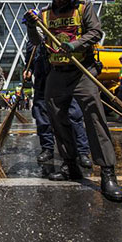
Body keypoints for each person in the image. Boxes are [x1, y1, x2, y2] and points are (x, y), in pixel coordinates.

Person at [24, 0, 122, 202]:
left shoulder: (84, 8)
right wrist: (30, 25)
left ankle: (108, 174)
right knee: (57, 118)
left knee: (94, 118)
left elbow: (96, 32)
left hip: (82, 72)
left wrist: (75, 44)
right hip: (57, 74)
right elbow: (37, 41)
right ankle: (70, 165)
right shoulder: (45, 15)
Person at [24, 40, 92, 171]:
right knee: (42, 117)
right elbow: (30, 62)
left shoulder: (55, 36)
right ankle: (47, 148)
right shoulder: (31, 44)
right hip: (41, 84)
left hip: (61, 81)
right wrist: (29, 70)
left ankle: (82, 152)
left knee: (74, 115)